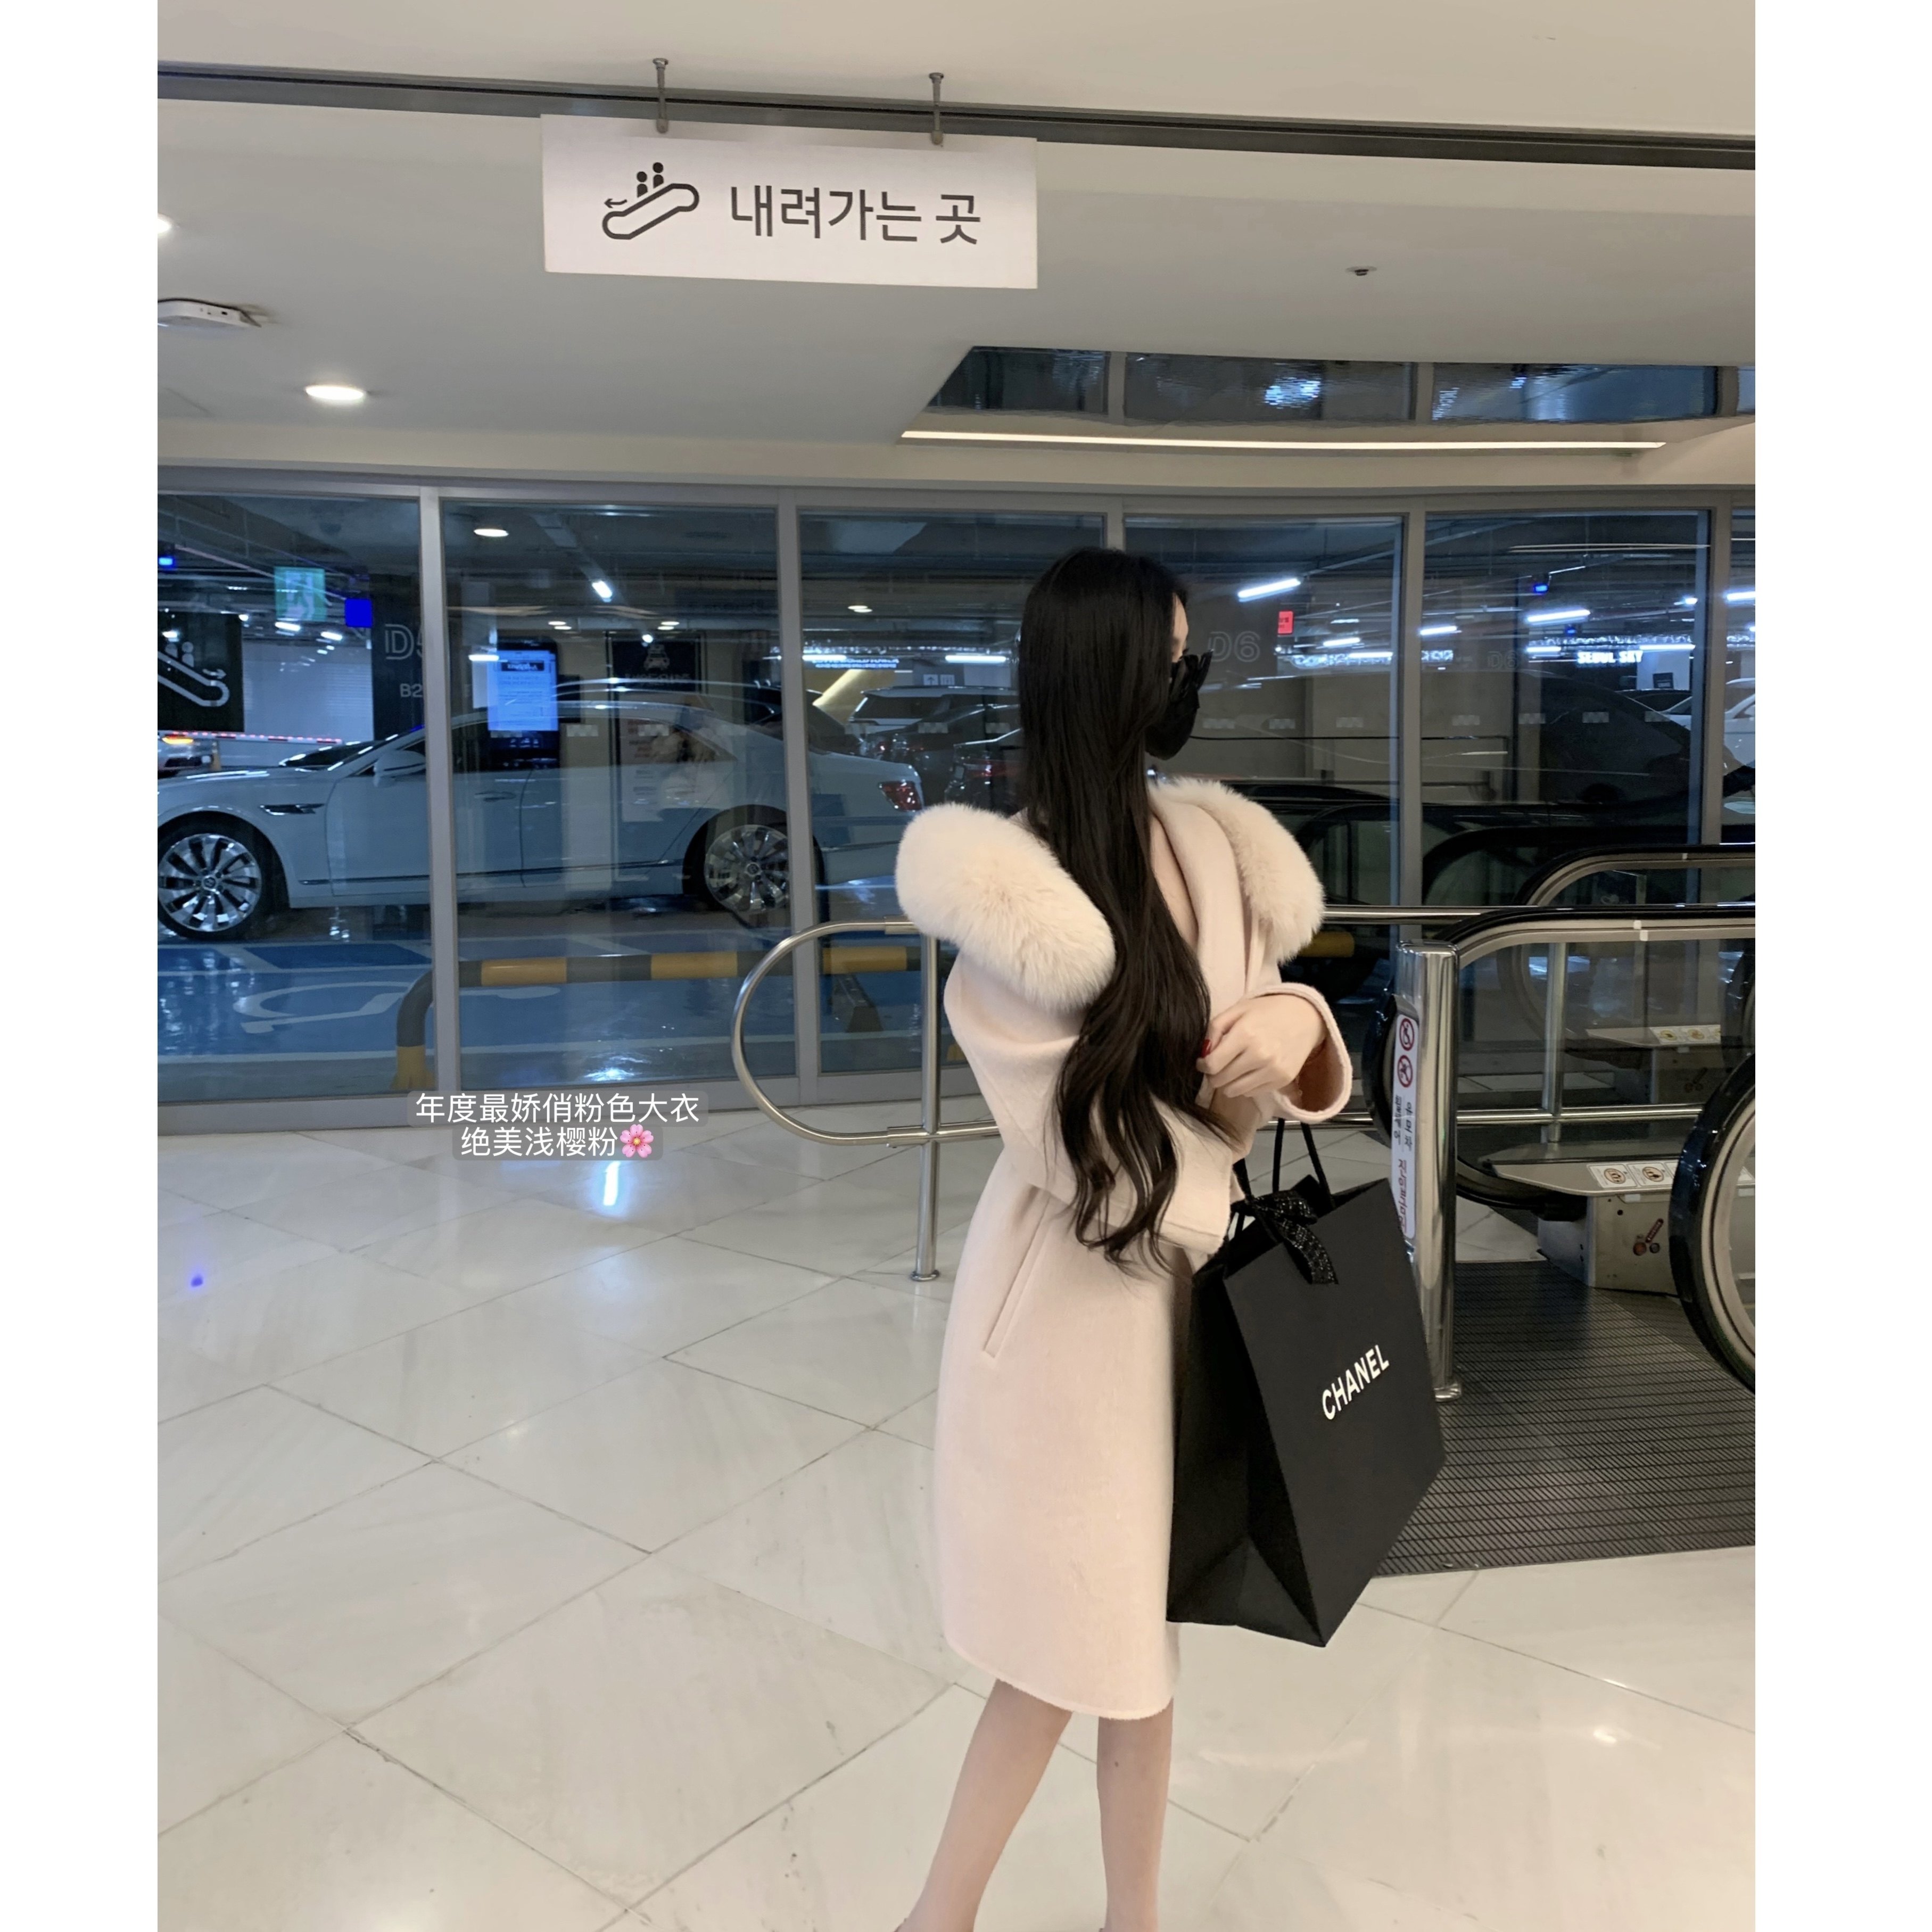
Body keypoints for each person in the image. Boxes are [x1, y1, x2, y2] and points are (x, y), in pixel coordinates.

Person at [891, 548, 1351, 1931]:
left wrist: (1297, 1027)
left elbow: (1260, 1026)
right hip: (1077, 1312)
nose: (1189, 683)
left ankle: (1098, 1916)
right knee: (1072, 1648)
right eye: (1174, 660)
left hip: (1195, 1300)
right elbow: (1075, 1150)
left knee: (1134, 1640)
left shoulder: (1209, 848)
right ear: (1112, 675)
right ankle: (948, 1916)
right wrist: (1219, 1133)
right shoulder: (1006, 893)